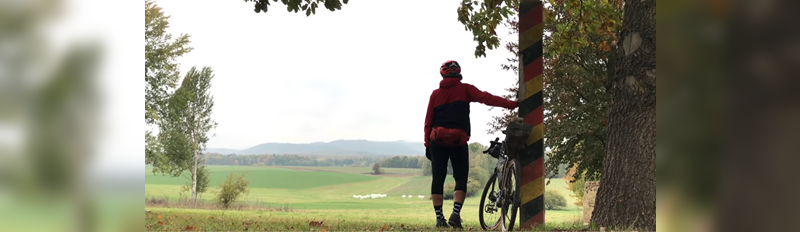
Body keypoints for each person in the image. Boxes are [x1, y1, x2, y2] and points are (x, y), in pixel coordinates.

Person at [424, 60, 518, 228]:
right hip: (458, 141)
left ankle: (439, 219)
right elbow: (487, 98)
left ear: (443, 74)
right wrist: (511, 104)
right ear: (458, 73)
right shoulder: (465, 89)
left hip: (437, 142)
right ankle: (456, 213)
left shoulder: (435, 94)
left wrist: (426, 144)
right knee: (461, 178)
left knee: (437, 179)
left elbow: (428, 122)